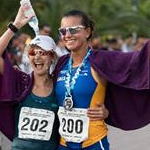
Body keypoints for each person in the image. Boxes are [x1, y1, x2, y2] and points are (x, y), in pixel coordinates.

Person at [53, 9, 150, 150]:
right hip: (63, 145)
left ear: (87, 32)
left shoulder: (101, 60)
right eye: (63, 31)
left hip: (93, 144)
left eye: (73, 30)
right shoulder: (60, 64)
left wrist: (108, 111)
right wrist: (15, 27)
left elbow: (139, 61)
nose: (67, 35)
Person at [0, 6, 59, 150]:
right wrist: (16, 26)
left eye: (43, 52)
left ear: (52, 57)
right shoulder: (21, 81)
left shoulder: (61, 87)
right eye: (32, 53)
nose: (37, 56)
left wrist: (104, 112)